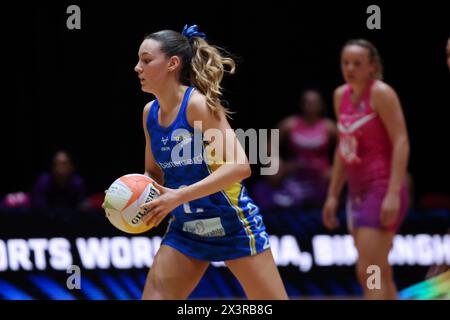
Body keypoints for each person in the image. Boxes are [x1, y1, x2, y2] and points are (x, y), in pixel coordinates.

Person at [134, 25, 288, 300]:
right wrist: (134, 196)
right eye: (138, 61)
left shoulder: (198, 106)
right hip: (186, 229)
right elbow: (153, 172)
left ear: (172, 64)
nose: (137, 68)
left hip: (232, 223)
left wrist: (178, 196)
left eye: (146, 60)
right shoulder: (150, 113)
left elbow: (240, 166)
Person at [322, 39, 410, 299]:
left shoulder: (382, 93)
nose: (350, 68)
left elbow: (402, 141)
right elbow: (343, 147)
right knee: (380, 270)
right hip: (357, 192)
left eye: (357, 63)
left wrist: (393, 192)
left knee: (367, 270)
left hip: (382, 188)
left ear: (372, 66)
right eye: (345, 62)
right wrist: (333, 195)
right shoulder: (340, 95)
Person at [276, 89, 336, 209]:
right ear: (302, 104)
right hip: (294, 179)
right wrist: (278, 164)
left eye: (315, 102)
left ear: (321, 104)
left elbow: (345, 148)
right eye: (308, 102)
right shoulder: (289, 124)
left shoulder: (329, 127)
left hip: (320, 181)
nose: (311, 105)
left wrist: (334, 170)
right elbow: (269, 144)